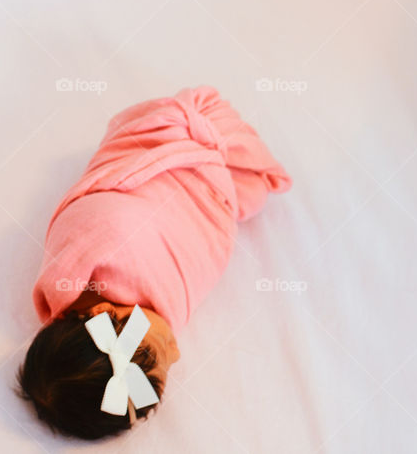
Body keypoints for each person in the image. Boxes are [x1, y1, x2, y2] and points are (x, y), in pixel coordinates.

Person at [17, 85, 291, 439]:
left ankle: (198, 143)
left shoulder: (90, 249)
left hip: (164, 153)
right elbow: (194, 259)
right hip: (203, 187)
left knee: (242, 180)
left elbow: (108, 215)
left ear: (106, 314)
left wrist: (199, 176)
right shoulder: (138, 308)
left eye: (162, 349)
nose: (176, 353)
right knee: (249, 194)